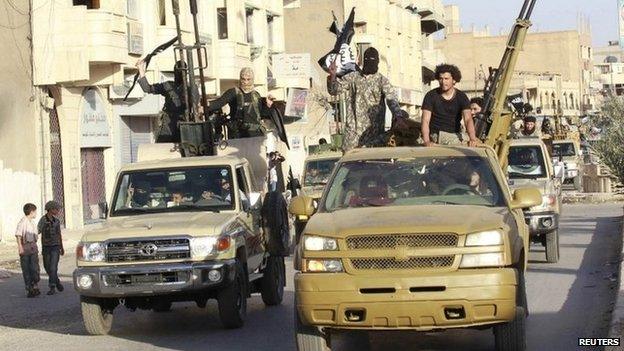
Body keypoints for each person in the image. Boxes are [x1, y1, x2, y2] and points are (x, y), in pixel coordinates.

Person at [327, 47, 408, 151]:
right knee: (350, 164)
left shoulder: (381, 80)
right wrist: (333, 76)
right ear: (363, 62)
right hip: (353, 134)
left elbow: (391, 99)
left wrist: (398, 117)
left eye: (373, 62)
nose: (371, 65)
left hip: (373, 135)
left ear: (378, 62)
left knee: (371, 165)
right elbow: (334, 91)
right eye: (368, 61)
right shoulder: (353, 77)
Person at [136, 59, 199, 143]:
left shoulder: (191, 87)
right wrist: (141, 69)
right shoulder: (168, 85)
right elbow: (147, 88)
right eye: (177, 71)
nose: (179, 74)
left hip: (185, 123)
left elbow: (196, 104)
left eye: (182, 72)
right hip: (168, 123)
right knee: (162, 148)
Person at [206, 67, 274, 138]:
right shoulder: (233, 92)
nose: (245, 82)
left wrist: (268, 105)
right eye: (243, 79)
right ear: (240, 79)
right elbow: (218, 103)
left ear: (252, 80)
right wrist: (204, 105)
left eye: (248, 79)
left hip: (255, 136)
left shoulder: (256, 95)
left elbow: (262, 114)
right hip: (238, 135)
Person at [421, 64, 478, 147]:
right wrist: (426, 141)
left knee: (478, 142)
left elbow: (468, 119)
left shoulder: (462, 97)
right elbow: (425, 120)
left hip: (455, 134)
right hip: (437, 135)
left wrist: (473, 139)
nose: (443, 82)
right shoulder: (431, 96)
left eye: (446, 79)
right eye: (441, 78)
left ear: (454, 80)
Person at [37, 201, 64, 295]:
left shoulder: (56, 221)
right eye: (56, 209)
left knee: (53, 267)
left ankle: (52, 286)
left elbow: (59, 234)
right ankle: (57, 281)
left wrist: (61, 247)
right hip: (46, 247)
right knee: (47, 267)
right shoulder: (43, 220)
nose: (58, 211)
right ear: (51, 209)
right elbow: (38, 231)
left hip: (55, 247)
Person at [16, 203, 40, 298]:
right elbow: (18, 235)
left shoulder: (32, 222)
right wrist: (20, 247)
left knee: (35, 268)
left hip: (33, 247)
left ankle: (35, 286)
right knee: (26, 269)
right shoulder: (23, 222)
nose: (36, 213)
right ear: (31, 212)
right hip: (25, 247)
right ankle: (30, 288)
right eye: (35, 211)